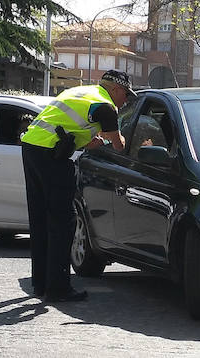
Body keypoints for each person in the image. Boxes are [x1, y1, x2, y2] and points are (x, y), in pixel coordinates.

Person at [20, 69, 135, 303]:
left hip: (32, 148)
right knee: (64, 222)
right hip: (52, 158)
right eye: (126, 95)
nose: (126, 100)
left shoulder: (82, 92)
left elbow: (73, 128)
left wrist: (90, 141)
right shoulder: (105, 105)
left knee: (40, 219)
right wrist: (128, 139)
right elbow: (119, 145)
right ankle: (58, 288)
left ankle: (40, 284)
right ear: (116, 89)